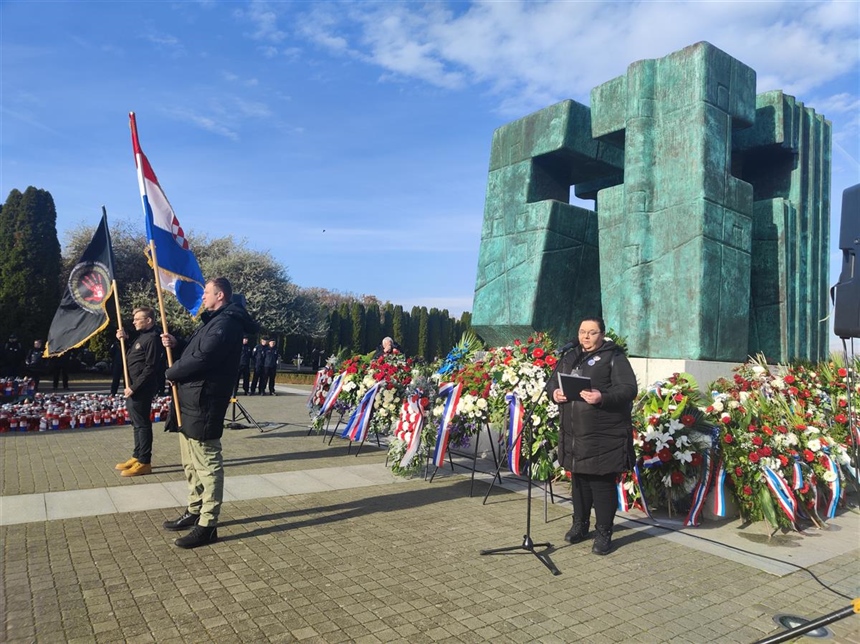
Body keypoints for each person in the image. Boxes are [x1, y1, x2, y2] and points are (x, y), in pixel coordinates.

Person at [161, 277, 259, 549]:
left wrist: (171, 372)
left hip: (204, 402)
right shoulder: (214, 321)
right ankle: (195, 509)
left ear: (221, 295)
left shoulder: (226, 324)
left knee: (207, 464)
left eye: (207, 292)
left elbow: (205, 359)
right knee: (190, 463)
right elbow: (197, 351)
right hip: (190, 401)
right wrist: (177, 344)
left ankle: (208, 524)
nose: (203, 296)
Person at [547, 316, 637, 555]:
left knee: (601, 484)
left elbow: (629, 389)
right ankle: (580, 525)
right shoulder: (570, 355)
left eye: (591, 332)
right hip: (574, 434)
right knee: (579, 482)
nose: (585, 336)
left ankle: (604, 532)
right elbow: (550, 384)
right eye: (582, 332)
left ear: (602, 334)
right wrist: (554, 393)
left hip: (603, 435)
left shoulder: (614, 357)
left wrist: (602, 396)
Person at [114, 307, 162, 477]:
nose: (133, 321)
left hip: (141, 388)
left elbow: (150, 367)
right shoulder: (141, 337)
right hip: (132, 387)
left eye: (137, 319)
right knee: (136, 423)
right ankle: (137, 455)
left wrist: (134, 387)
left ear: (148, 320)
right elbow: (132, 358)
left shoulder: (153, 339)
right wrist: (125, 341)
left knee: (142, 424)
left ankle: (144, 461)